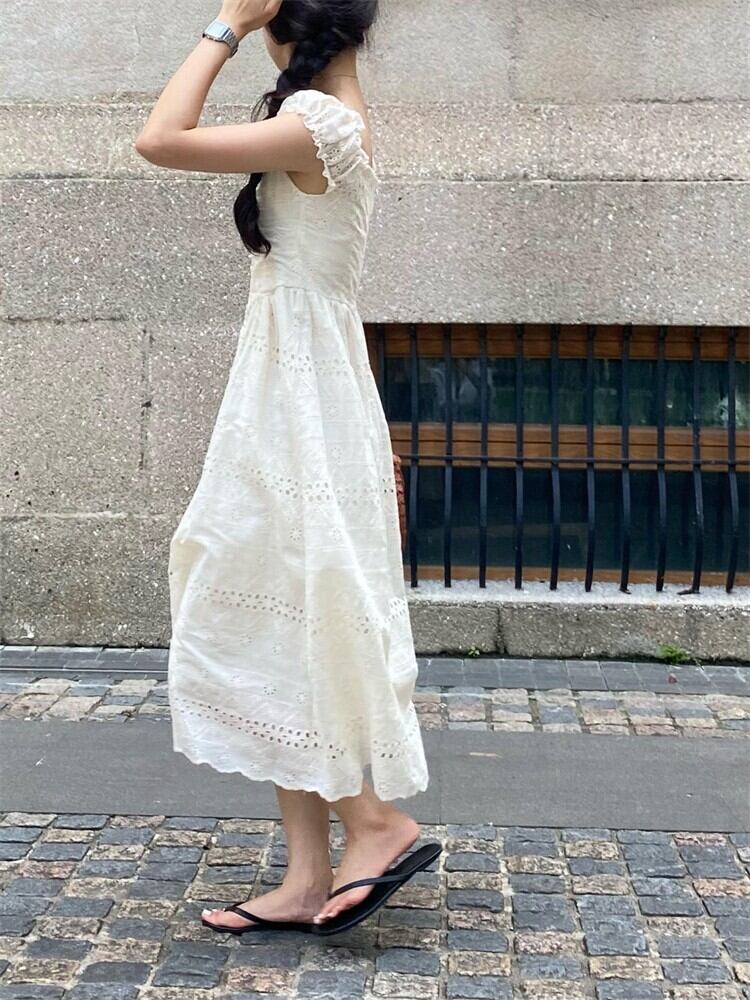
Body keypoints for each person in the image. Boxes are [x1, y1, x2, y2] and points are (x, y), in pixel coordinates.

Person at [134, 0, 436, 935]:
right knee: (277, 612)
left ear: (287, 27)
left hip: (297, 403)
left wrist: (224, 25)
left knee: (272, 600)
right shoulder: (332, 117)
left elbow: (158, 139)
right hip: (302, 395)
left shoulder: (319, 122)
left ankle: (375, 825)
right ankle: (307, 876)